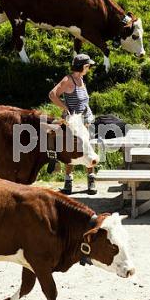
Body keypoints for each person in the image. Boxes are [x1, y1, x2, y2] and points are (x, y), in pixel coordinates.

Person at [48, 54, 97, 195]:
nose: (89, 68)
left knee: (89, 150)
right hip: (74, 122)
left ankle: (91, 181)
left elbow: (84, 102)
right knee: (71, 150)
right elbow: (52, 95)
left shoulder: (81, 79)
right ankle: (68, 183)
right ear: (81, 66)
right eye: (87, 66)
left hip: (86, 120)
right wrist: (65, 108)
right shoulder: (68, 80)